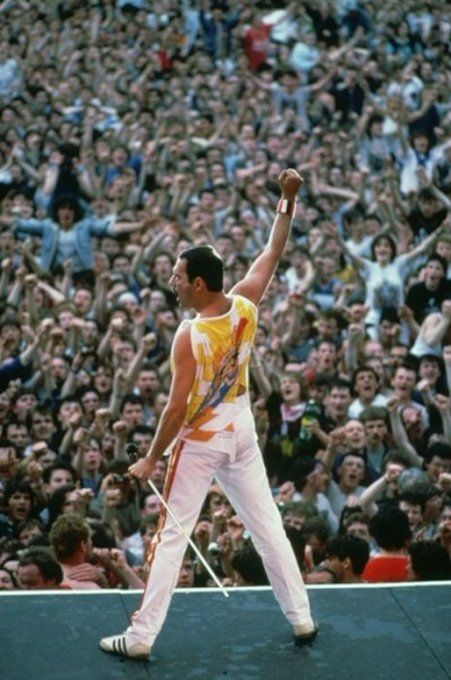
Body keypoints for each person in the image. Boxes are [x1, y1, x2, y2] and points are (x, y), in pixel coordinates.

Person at [100, 169, 317, 659]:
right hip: (241, 429)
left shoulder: (189, 334)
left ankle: (139, 637)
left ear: (198, 284)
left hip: (200, 440)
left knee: (171, 538)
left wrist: (151, 458)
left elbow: (176, 408)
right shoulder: (244, 305)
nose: (172, 282)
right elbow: (273, 252)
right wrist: (288, 199)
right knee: (268, 529)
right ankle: (301, 618)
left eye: (178, 276)